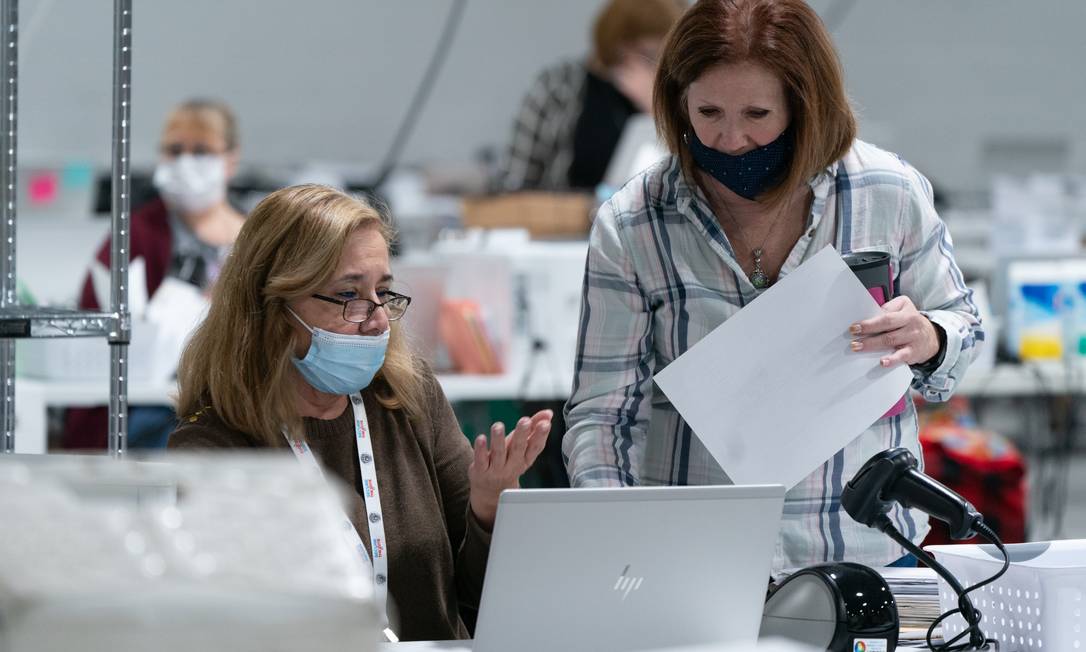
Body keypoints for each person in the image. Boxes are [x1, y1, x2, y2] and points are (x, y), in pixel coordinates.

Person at [562, 0, 983, 573]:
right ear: (677, 99)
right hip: (697, 562)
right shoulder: (636, 222)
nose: (730, 139)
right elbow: (604, 415)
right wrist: (619, 538)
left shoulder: (888, 192)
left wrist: (930, 336)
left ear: (805, 106)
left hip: (864, 551)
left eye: (757, 114)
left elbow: (963, 328)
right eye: (708, 111)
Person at [168, 184, 552, 642]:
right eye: (350, 295)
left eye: (383, 292)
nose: (377, 319)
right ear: (273, 307)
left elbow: (479, 601)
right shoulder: (214, 448)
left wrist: (490, 509)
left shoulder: (408, 398)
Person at [64, 98, 247, 450]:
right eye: (175, 150)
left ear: (231, 159)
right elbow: (93, 324)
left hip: (241, 399)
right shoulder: (134, 234)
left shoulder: (257, 237)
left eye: (202, 151)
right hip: (153, 406)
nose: (186, 162)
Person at [497, 0, 685, 192]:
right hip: (559, 216)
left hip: (633, 218)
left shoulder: (663, 95)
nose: (655, 66)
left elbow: (682, 179)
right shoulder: (558, 87)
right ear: (620, 44)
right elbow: (514, 182)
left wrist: (656, 109)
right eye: (650, 54)